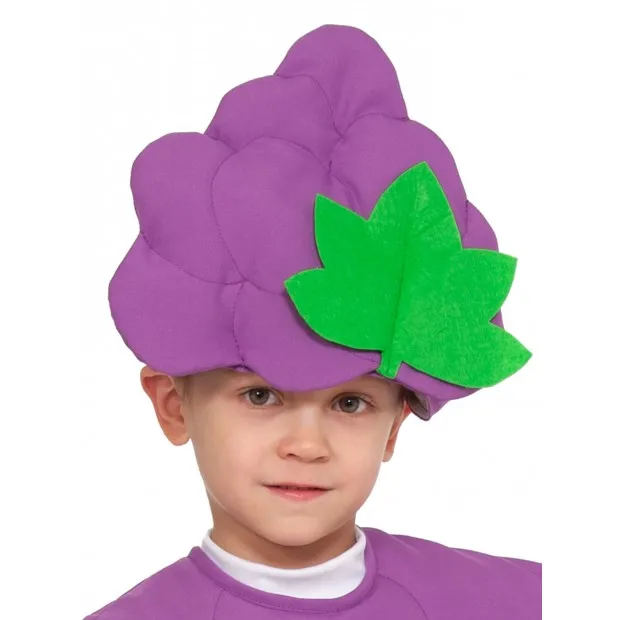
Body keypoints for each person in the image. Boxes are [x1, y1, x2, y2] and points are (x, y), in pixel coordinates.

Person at [85, 23, 542, 619]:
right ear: (173, 405)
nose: (306, 446)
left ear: (395, 427)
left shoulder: (519, 601)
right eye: (260, 395)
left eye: (351, 403)